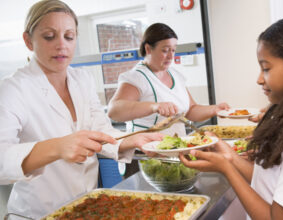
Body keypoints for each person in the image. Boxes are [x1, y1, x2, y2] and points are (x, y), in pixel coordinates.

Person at [0, 0, 162, 218]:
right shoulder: (13, 88)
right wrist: (58, 147)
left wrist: (131, 139)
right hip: (37, 213)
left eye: (69, 36)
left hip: (85, 206)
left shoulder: (82, 79)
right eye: (49, 36)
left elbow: (101, 130)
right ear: (28, 41)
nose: (61, 45)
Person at [180, 14, 283, 219]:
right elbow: (270, 182)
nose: (259, 79)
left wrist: (227, 168)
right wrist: (229, 156)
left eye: (266, 68)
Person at [107, 23, 229, 137]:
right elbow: (114, 111)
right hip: (146, 152)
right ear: (148, 49)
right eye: (165, 50)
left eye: (173, 50)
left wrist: (214, 109)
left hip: (175, 148)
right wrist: (154, 106)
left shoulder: (176, 75)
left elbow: (191, 110)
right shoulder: (137, 77)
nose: (171, 56)